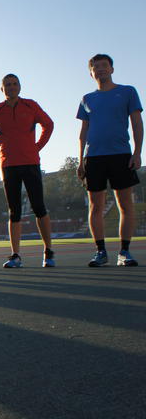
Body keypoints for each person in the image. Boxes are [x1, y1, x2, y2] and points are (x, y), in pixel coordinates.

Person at [0, 74, 56, 268]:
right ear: (2, 89)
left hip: (31, 162)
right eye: (7, 85)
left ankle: (48, 251)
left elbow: (49, 124)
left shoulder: (31, 105)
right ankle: (15, 255)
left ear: (20, 86)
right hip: (9, 164)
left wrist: (38, 146)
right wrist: (1, 142)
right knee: (14, 211)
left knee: (39, 207)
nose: (11, 87)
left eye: (14, 84)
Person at [77, 54, 142, 267]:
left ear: (112, 69)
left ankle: (124, 252)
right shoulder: (87, 98)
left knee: (125, 205)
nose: (101, 70)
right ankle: (100, 252)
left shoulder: (127, 91)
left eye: (104, 66)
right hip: (93, 157)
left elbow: (137, 124)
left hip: (120, 154)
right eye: (96, 67)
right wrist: (80, 161)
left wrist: (137, 152)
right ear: (91, 73)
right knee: (95, 206)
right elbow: (83, 132)